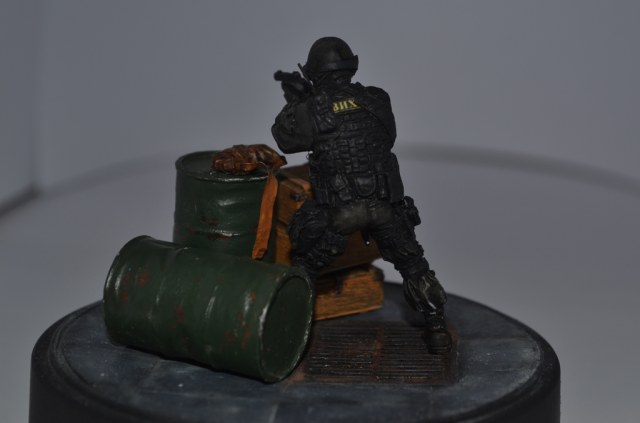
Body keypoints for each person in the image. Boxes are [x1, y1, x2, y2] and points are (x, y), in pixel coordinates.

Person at [271, 37, 451, 354]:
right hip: (384, 206)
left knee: (304, 265)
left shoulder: (310, 111)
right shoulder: (377, 99)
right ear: (351, 67)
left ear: (313, 73)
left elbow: (284, 139)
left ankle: (288, 332)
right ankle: (437, 328)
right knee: (414, 267)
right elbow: (386, 136)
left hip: (340, 211)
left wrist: (297, 104)